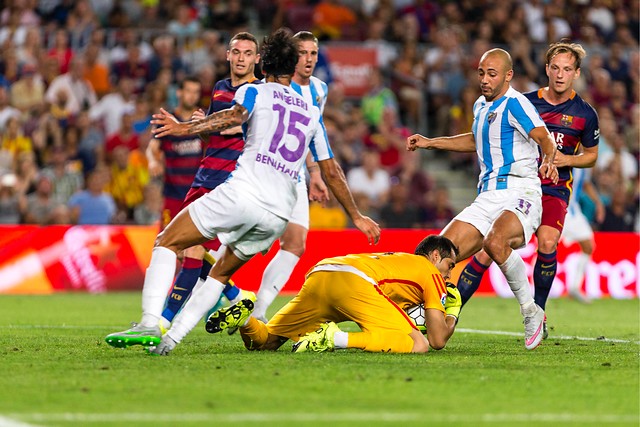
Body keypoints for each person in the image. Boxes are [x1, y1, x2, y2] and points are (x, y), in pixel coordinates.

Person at [105, 28, 380, 355]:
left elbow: (232, 118)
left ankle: (151, 322)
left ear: (263, 68)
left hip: (243, 194)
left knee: (167, 240)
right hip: (278, 213)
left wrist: (183, 129)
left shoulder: (254, 92)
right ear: (293, 69)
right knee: (219, 274)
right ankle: (169, 340)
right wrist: (357, 216)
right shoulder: (311, 113)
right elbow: (331, 169)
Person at [406, 48, 558, 351]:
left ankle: (531, 312)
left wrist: (550, 160)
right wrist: (430, 142)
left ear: (508, 76)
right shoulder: (479, 106)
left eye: (492, 74)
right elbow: (476, 140)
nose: (485, 80)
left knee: (495, 243)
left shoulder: (517, 104)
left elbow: (544, 138)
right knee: (433, 258)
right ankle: (418, 316)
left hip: (520, 192)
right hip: (486, 196)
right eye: (481, 73)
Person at [455, 42, 600, 338]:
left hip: (555, 189)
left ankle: (539, 315)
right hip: (520, 186)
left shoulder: (585, 114)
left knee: (547, 243)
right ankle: (451, 312)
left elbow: (592, 155)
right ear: (547, 69)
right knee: (486, 251)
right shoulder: (523, 102)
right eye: (555, 68)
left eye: (567, 69)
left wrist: (565, 159)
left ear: (576, 73)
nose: (560, 75)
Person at [152, 32, 263, 333]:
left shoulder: (259, 92)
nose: (241, 58)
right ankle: (236, 295)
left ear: (257, 59)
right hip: (203, 175)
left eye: (247, 53)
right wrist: (203, 127)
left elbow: (233, 126)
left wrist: (186, 126)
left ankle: (161, 323)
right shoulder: (219, 88)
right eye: (236, 52)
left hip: (228, 181)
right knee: (183, 246)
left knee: (187, 250)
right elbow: (214, 133)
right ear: (227, 55)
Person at [207, 235, 460, 354]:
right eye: (450, 265)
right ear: (435, 256)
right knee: (418, 344)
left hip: (322, 272)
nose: (449, 274)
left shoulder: (402, 262)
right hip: (355, 283)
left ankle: (244, 317)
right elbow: (437, 340)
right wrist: (452, 313)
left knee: (266, 342)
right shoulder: (431, 272)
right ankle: (334, 339)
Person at [251, 31, 331, 323]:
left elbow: (309, 135)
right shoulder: (270, 87)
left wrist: (314, 173)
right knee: (248, 240)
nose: (308, 59)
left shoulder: (320, 90)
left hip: (296, 176)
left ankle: (257, 311)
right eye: (302, 53)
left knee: (296, 244)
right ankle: (215, 290)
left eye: (313, 53)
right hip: (265, 170)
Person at [562, 168, 603, 303]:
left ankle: (574, 288)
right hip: (558, 207)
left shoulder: (584, 161)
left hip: (574, 212)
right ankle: (534, 289)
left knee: (588, 245)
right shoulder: (562, 151)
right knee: (546, 246)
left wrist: (598, 203)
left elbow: (585, 183)